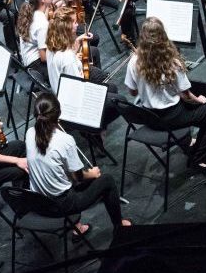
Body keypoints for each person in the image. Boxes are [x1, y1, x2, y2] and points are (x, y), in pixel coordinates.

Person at [124, 17, 206, 168]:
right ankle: (198, 158)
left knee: (186, 106)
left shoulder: (133, 61)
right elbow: (186, 96)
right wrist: (200, 100)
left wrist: (147, 87)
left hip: (150, 118)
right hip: (172, 117)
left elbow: (132, 92)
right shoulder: (171, 61)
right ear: (162, 36)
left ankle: (190, 145)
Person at [25, 92, 130, 234]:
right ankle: (120, 226)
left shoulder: (29, 133)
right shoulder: (65, 140)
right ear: (58, 114)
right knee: (107, 181)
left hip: (39, 202)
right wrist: (92, 174)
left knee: (60, 174)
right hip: (61, 204)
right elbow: (78, 177)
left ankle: (77, 227)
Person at [16, 0, 52, 69]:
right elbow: (44, 57)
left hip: (28, 59)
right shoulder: (42, 23)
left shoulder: (32, 11)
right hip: (37, 64)